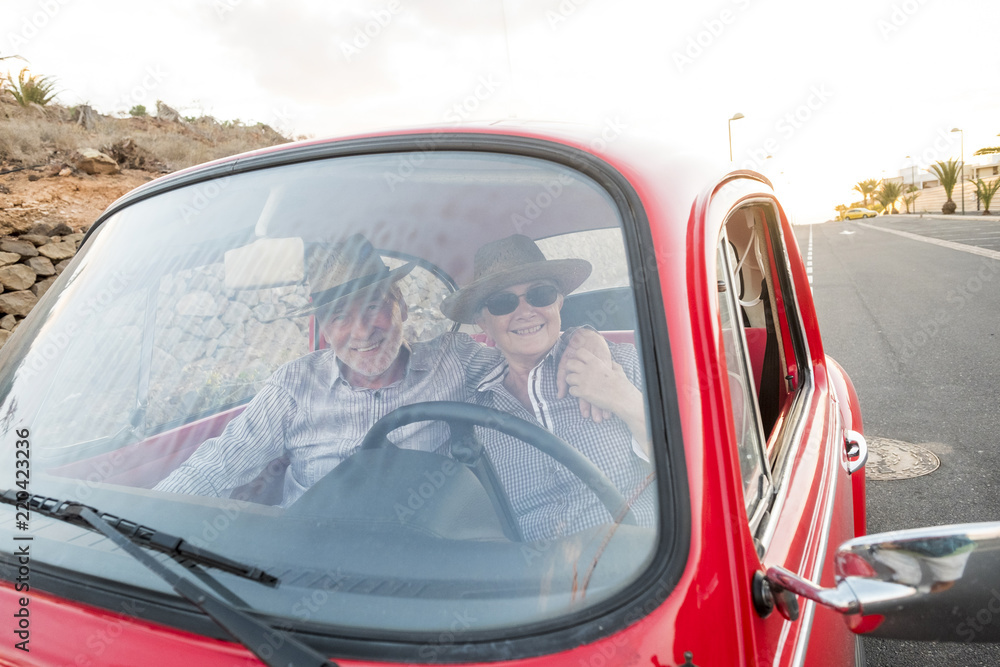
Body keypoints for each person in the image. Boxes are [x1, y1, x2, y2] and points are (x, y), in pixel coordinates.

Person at [155, 234, 608, 507]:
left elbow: (528, 349)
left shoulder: (455, 360)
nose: (361, 331)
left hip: (419, 554)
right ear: (323, 328)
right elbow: (220, 463)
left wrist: (588, 341)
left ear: (402, 305)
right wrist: (148, 517)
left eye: (374, 306)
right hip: (304, 558)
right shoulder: (294, 385)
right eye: (338, 317)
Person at [440, 234, 657, 542]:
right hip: (534, 584)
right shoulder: (471, 413)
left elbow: (695, 470)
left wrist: (623, 399)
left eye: (540, 294)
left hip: (638, 567)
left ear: (559, 301)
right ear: (482, 322)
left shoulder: (621, 365)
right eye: (502, 302)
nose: (526, 311)